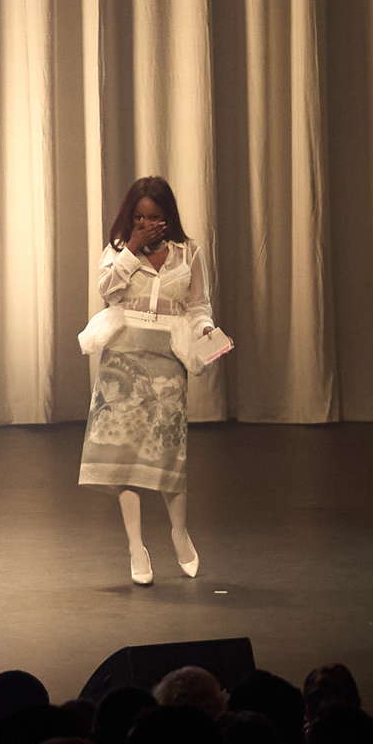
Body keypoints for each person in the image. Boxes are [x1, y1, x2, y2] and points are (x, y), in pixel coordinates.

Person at [77, 176, 216, 585]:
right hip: (124, 359)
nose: (146, 223)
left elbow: (198, 304)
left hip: (167, 360)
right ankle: (136, 547)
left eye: (153, 217)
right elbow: (106, 290)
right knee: (122, 455)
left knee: (167, 452)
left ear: (167, 217)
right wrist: (132, 249)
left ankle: (178, 531)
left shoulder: (188, 252)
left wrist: (207, 328)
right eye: (138, 217)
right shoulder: (119, 252)